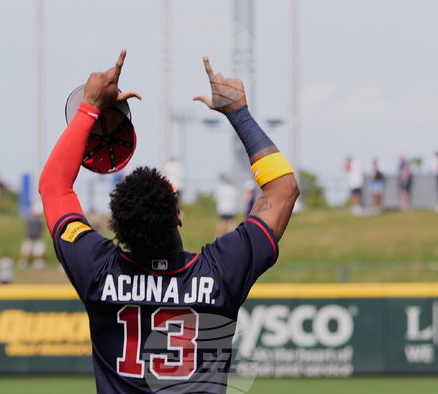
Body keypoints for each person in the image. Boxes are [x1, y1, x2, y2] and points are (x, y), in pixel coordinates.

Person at [39, 51, 299, 394]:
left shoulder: (97, 271)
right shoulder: (219, 272)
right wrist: (238, 113)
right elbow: (283, 189)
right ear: (177, 215)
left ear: (118, 228)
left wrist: (89, 106)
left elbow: (54, 187)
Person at [19, 205, 46, 270]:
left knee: (38, 251)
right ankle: (24, 262)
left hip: (36, 237)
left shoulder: (36, 220)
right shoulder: (34, 220)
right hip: (31, 237)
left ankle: (36, 262)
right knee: (26, 250)